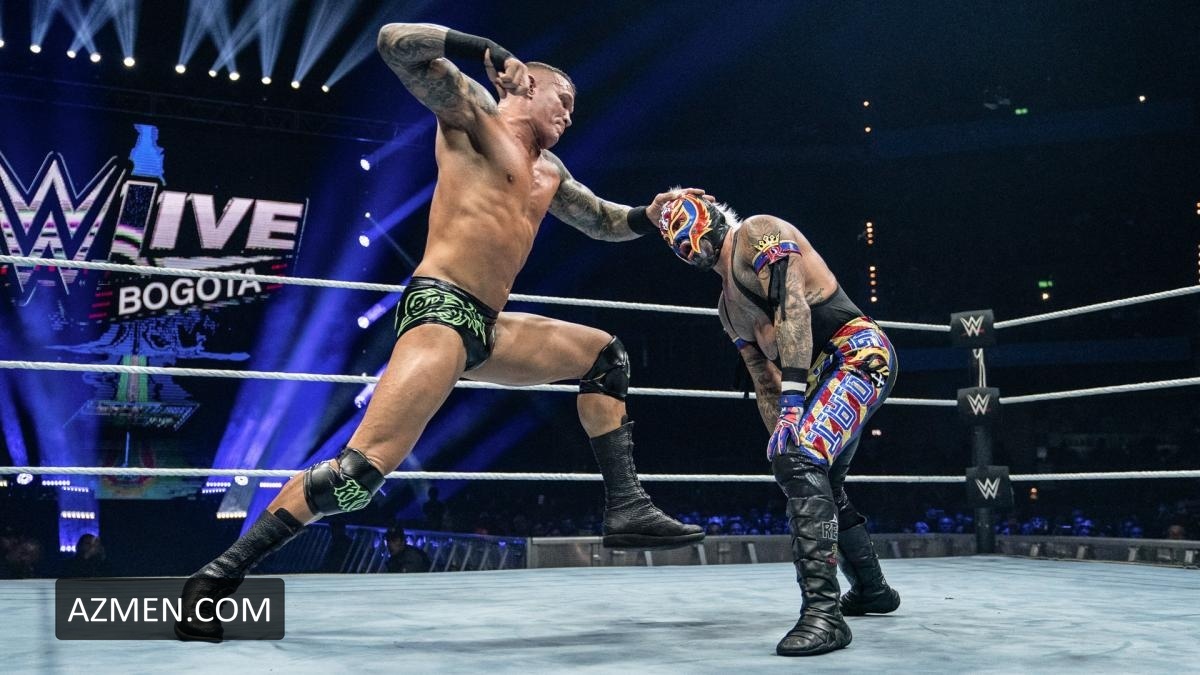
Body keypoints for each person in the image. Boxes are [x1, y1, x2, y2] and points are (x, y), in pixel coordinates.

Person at [175, 23, 704, 642]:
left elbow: (603, 222)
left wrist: (650, 214)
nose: (569, 113)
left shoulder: (550, 171)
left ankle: (627, 506)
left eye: (573, 108)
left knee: (604, 356)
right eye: (562, 99)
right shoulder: (473, 117)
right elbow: (393, 42)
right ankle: (215, 578)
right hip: (442, 310)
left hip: (489, 326)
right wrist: (484, 50)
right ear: (525, 87)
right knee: (357, 475)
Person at [653, 194, 901, 656]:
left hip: (857, 354)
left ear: (709, 214)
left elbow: (793, 308)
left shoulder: (758, 231)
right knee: (808, 472)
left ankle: (824, 615)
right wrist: (782, 446)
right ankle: (872, 590)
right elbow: (762, 378)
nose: (681, 244)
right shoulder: (727, 310)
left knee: (803, 457)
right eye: (671, 241)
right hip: (812, 381)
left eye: (681, 225)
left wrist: (792, 411)